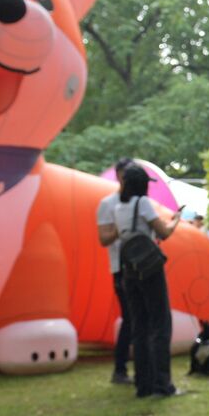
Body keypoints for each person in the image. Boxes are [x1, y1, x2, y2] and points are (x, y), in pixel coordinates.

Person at [97, 164, 180, 398]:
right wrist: (175, 220)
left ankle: (142, 385)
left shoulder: (119, 206)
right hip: (149, 269)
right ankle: (163, 385)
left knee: (139, 328)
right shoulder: (142, 203)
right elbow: (163, 232)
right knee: (160, 324)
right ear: (142, 184)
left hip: (128, 271)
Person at [96, 158, 141, 385]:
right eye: (126, 175)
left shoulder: (141, 201)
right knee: (130, 319)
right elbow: (103, 239)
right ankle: (120, 369)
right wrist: (122, 226)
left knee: (142, 318)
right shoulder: (108, 204)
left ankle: (140, 365)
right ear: (119, 177)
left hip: (143, 267)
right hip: (121, 268)